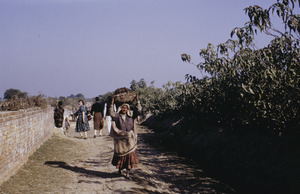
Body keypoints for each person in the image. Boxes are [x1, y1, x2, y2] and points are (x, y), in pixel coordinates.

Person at [109, 95, 142, 179]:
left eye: (126, 108)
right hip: (120, 140)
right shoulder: (117, 116)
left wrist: (137, 102)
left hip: (130, 140)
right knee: (120, 156)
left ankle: (127, 173)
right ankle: (120, 170)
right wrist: (112, 104)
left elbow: (139, 111)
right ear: (121, 108)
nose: (124, 109)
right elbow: (111, 113)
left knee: (129, 156)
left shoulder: (131, 116)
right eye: (123, 108)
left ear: (127, 109)